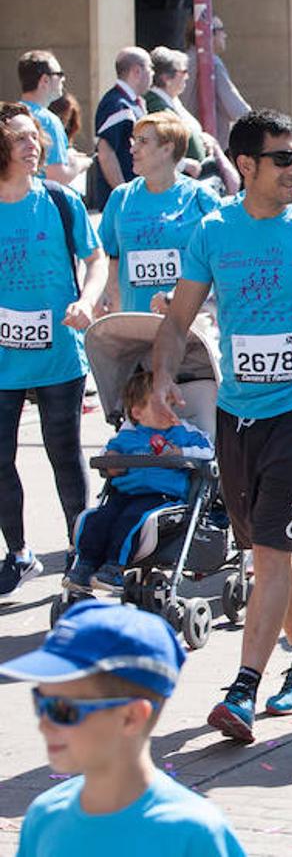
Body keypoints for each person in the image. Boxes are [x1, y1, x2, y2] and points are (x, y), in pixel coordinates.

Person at [149, 108, 292, 743]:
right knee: (264, 551)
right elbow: (179, 317)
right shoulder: (214, 231)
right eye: (283, 158)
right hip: (236, 411)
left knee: (274, 551)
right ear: (245, 166)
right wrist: (164, 375)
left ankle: (243, 688)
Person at [1, 601, 245, 856]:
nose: (43, 724)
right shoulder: (44, 817)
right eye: (39, 701)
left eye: (61, 710)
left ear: (131, 717)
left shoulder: (194, 833)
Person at [0, 103, 107, 596]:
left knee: (64, 454)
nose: (33, 144)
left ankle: (78, 550)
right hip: (4, 359)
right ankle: (18, 554)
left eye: (35, 137)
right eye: (21, 137)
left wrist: (87, 300)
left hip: (60, 351)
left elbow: (95, 256)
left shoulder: (60, 200)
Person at [62, 371, 214, 592]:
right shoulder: (128, 436)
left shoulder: (182, 432)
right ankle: (86, 565)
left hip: (161, 496)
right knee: (95, 519)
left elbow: (208, 449)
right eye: (163, 406)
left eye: (172, 405)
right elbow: (108, 454)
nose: (171, 413)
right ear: (137, 413)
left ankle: (115, 566)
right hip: (124, 495)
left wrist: (181, 452)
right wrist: (111, 460)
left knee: (133, 519)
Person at [97, 113, 220, 314]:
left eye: (143, 141)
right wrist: (104, 297)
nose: (133, 149)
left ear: (167, 148)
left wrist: (178, 298)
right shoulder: (121, 197)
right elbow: (110, 257)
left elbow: (218, 262)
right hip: (135, 325)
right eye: (134, 141)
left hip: (189, 326)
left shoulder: (202, 198)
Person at [144, 47, 237, 192]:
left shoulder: (172, 101)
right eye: (183, 72)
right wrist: (183, 164)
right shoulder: (156, 106)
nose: (187, 76)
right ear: (166, 78)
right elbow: (155, 148)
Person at [90, 47, 152, 211]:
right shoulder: (117, 105)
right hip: (122, 207)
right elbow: (105, 153)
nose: (152, 74)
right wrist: (124, 195)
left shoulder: (132, 103)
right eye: (150, 68)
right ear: (137, 71)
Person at [17, 50, 89, 186]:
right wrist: (81, 164)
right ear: (45, 80)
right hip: (39, 203)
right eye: (59, 74)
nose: (64, 79)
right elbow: (57, 177)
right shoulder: (49, 121)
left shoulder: (9, 115)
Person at [180, 14, 250, 147]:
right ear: (209, 33)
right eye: (221, 29)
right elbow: (237, 110)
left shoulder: (184, 61)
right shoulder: (211, 62)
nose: (225, 35)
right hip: (208, 144)